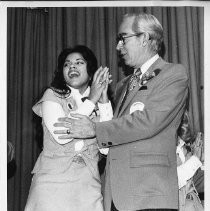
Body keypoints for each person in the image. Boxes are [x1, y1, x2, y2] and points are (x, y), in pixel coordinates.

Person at [54, 13, 189, 211]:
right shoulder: (123, 85)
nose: (118, 47)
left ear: (144, 38)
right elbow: (117, 137)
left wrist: (95, 129)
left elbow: (148, 122)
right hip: (116, 197)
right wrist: (104, 103)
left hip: (149, 194)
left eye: (123, 38)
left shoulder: (173, 74)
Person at [24, 45, 113, 211]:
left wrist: (104, 98)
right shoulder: (52, 95)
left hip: (87, 186)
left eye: (79, 63)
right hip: (52, 184)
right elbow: (62, 134)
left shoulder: (98, 102)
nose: (72, 67)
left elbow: (107, 148)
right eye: (67, 64)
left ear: (91, 70)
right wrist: (92, 99)